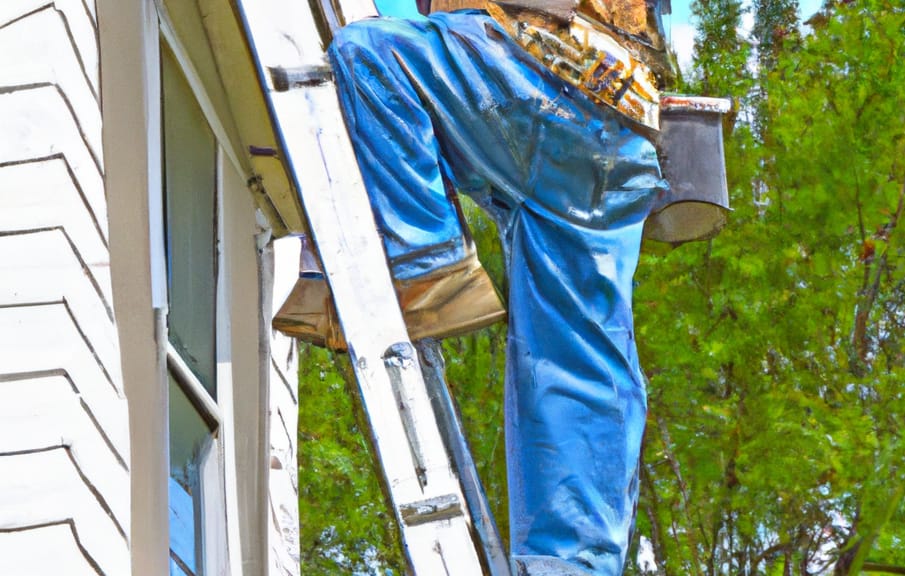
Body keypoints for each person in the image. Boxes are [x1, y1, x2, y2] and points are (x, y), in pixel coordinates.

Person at [275, 2, 674, 574]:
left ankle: (422, 262)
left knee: (376, 57)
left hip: (541, 73)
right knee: (582, 356)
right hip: (618, 132)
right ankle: (573, 562)